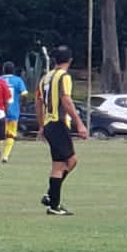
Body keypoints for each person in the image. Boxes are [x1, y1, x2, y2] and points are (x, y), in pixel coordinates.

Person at [35, 45, 87, 216]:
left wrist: (42, 125)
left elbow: (38, 103)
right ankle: (53, 204)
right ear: (70, 60)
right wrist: (79, 123)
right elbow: (66, 100)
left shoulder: (45, 78)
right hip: (57, 123)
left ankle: (51, 196)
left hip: (50, 124)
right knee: (65, 163)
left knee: (65, 162)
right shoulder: (63, 76)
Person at [0, 61, 30, 164]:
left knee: (0, 134)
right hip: (13, 111)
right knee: (11, 135)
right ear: (13, 70)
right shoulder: (18, 80)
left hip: (0, 111)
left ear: (3, 70)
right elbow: (25, 93)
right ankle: (5, 156)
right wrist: (22, 103)